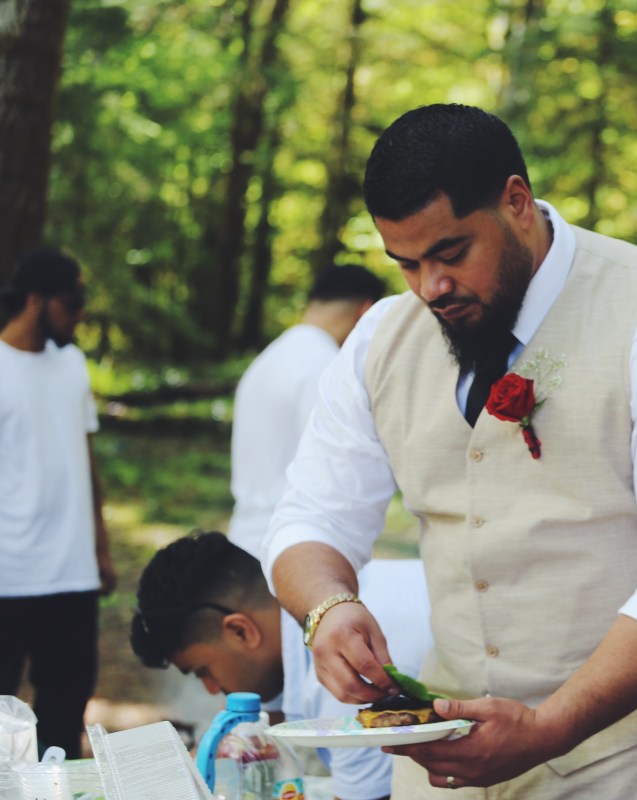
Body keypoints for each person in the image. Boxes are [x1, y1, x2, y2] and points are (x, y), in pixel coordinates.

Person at [262, 103, 637, 798]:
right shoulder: (382, 337)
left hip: (623, 761)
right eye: (405, 263)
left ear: (517, 202)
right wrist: (326, 609)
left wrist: (551, 726)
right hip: (441, 762)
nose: (429, 288)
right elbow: (310, 517)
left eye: (450, 253)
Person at [130, 532, 433, 800]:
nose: (212, 690)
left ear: (240, 631)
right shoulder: (337, 594)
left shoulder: (352, 677)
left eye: (203, 671)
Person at [0, 248, 116, 759]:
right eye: (71, 302)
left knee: (65, 718)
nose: (80, 312)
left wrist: (101, 547)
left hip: (71, 575)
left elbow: (85, 460)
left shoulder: (72, 365)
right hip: (8, 574)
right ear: (35, 300)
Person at [228, 264, 387, 559]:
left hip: (245, 539)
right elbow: (337, 472)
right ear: (367, 312)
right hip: (292, 551)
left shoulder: (269, 357)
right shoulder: (325, 366)